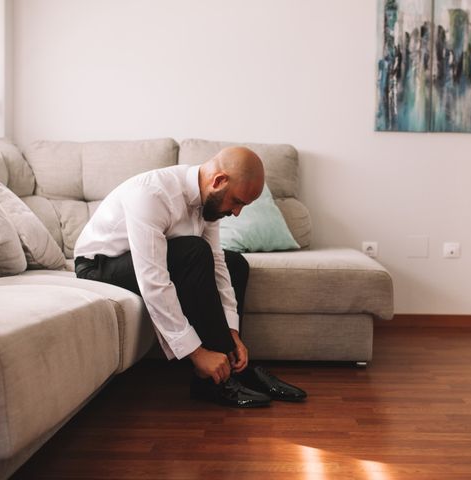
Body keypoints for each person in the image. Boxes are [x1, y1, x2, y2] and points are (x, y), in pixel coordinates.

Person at [74, 146, 307, 408]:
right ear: (219, 181)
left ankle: (234, 367)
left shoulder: (211, 202)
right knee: (193, 252)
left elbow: (219, 265)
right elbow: (153, 280)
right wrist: (197, 353)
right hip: (98, 266)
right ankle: (215, 381)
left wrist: (233, 331)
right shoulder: (151, 194)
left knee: (235, 263)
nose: (237, 212)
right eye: (237, 202)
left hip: (144, 261)